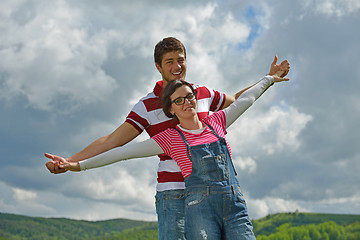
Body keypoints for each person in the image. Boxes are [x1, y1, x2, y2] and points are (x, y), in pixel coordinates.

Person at [45, 37, 289, 239]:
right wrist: (70, 162)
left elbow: (237, 101)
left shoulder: (201, 94)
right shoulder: (146, 105)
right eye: (169, 61)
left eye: (180, 60)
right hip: (174, 194)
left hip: (219, 192)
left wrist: (268, 79)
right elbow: (114, 142)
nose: (176, 66)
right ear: (158, 66)